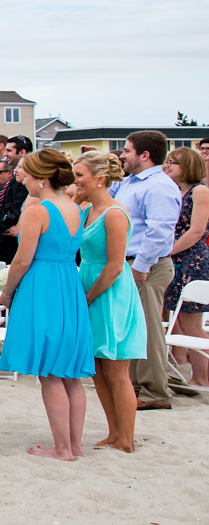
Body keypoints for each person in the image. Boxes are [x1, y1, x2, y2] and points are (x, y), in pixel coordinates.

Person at [0, 149, 93, 460]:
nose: (21, 178)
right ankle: (75, 445)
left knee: (50, 373)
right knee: (69, 373)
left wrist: (8, 292)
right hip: (68, 282)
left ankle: (63, 448)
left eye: (25, 172)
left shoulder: (39, 210)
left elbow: (22, 260)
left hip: (43, 285)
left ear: (41, 177)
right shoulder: (76, 208)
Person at [73, 151, 143, 454]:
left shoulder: (114, 213)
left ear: (100, 178)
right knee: (98, 368)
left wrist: (88, 297)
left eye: (80, 175)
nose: (75, 181)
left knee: (116, 371)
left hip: (110, 291)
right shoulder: (87, 209)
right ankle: (113, 432)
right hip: (89, 280)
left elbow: (115, 265)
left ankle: (126, 439)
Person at [113, 130, 184, 409]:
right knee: (132, 328)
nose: (122, 155)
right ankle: (134, 386)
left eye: (127, 151)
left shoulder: (159, 186)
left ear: (145, 155)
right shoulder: (130, 182)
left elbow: (160, 231)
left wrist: (141, 266)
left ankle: (155, 393)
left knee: (149, 330)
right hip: (128, 262)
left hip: (147, 266)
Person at [162, 148, 209, 385]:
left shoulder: (200, 191)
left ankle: (202, 378)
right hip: (177, 257)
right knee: (179, 320)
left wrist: (168, 251)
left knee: (192, 324)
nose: (167, 166)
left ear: (188, 165)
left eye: (173, 163)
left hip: (191, 260)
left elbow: (197, 231)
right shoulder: (177, 190)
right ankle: (190, 372)